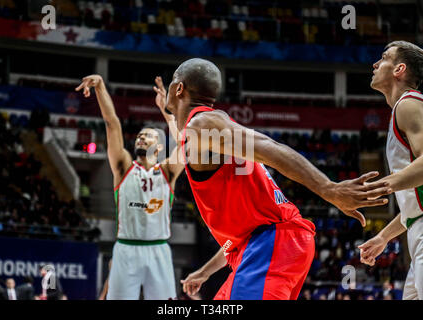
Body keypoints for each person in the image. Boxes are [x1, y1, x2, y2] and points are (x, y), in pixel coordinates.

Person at [164, 58, 391, 300]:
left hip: (272, 243)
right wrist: (204, 272)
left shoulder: (201, 124)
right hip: (260, 245)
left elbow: (269, 146)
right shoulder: (205, 128)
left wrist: (329, 189)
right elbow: (238, 235)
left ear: (179, 88)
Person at [76, 75, 184, 300]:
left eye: (148, 136)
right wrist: (101, 87)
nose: (142, 138)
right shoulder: (124, 167)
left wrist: (167, 110)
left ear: (160, 146)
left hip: (159, 249)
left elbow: (186, 143)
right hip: (126, 248)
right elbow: (112, 123)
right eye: (139, 136)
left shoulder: (169, 170)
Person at [358, 41, 423, 300]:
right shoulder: (404, 108)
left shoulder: (409, 105)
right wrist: (384, 237)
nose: (375, 64)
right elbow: (417, 202)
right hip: (417, 228)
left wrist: (378, 186)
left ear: (399, 69)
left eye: (383, 58)